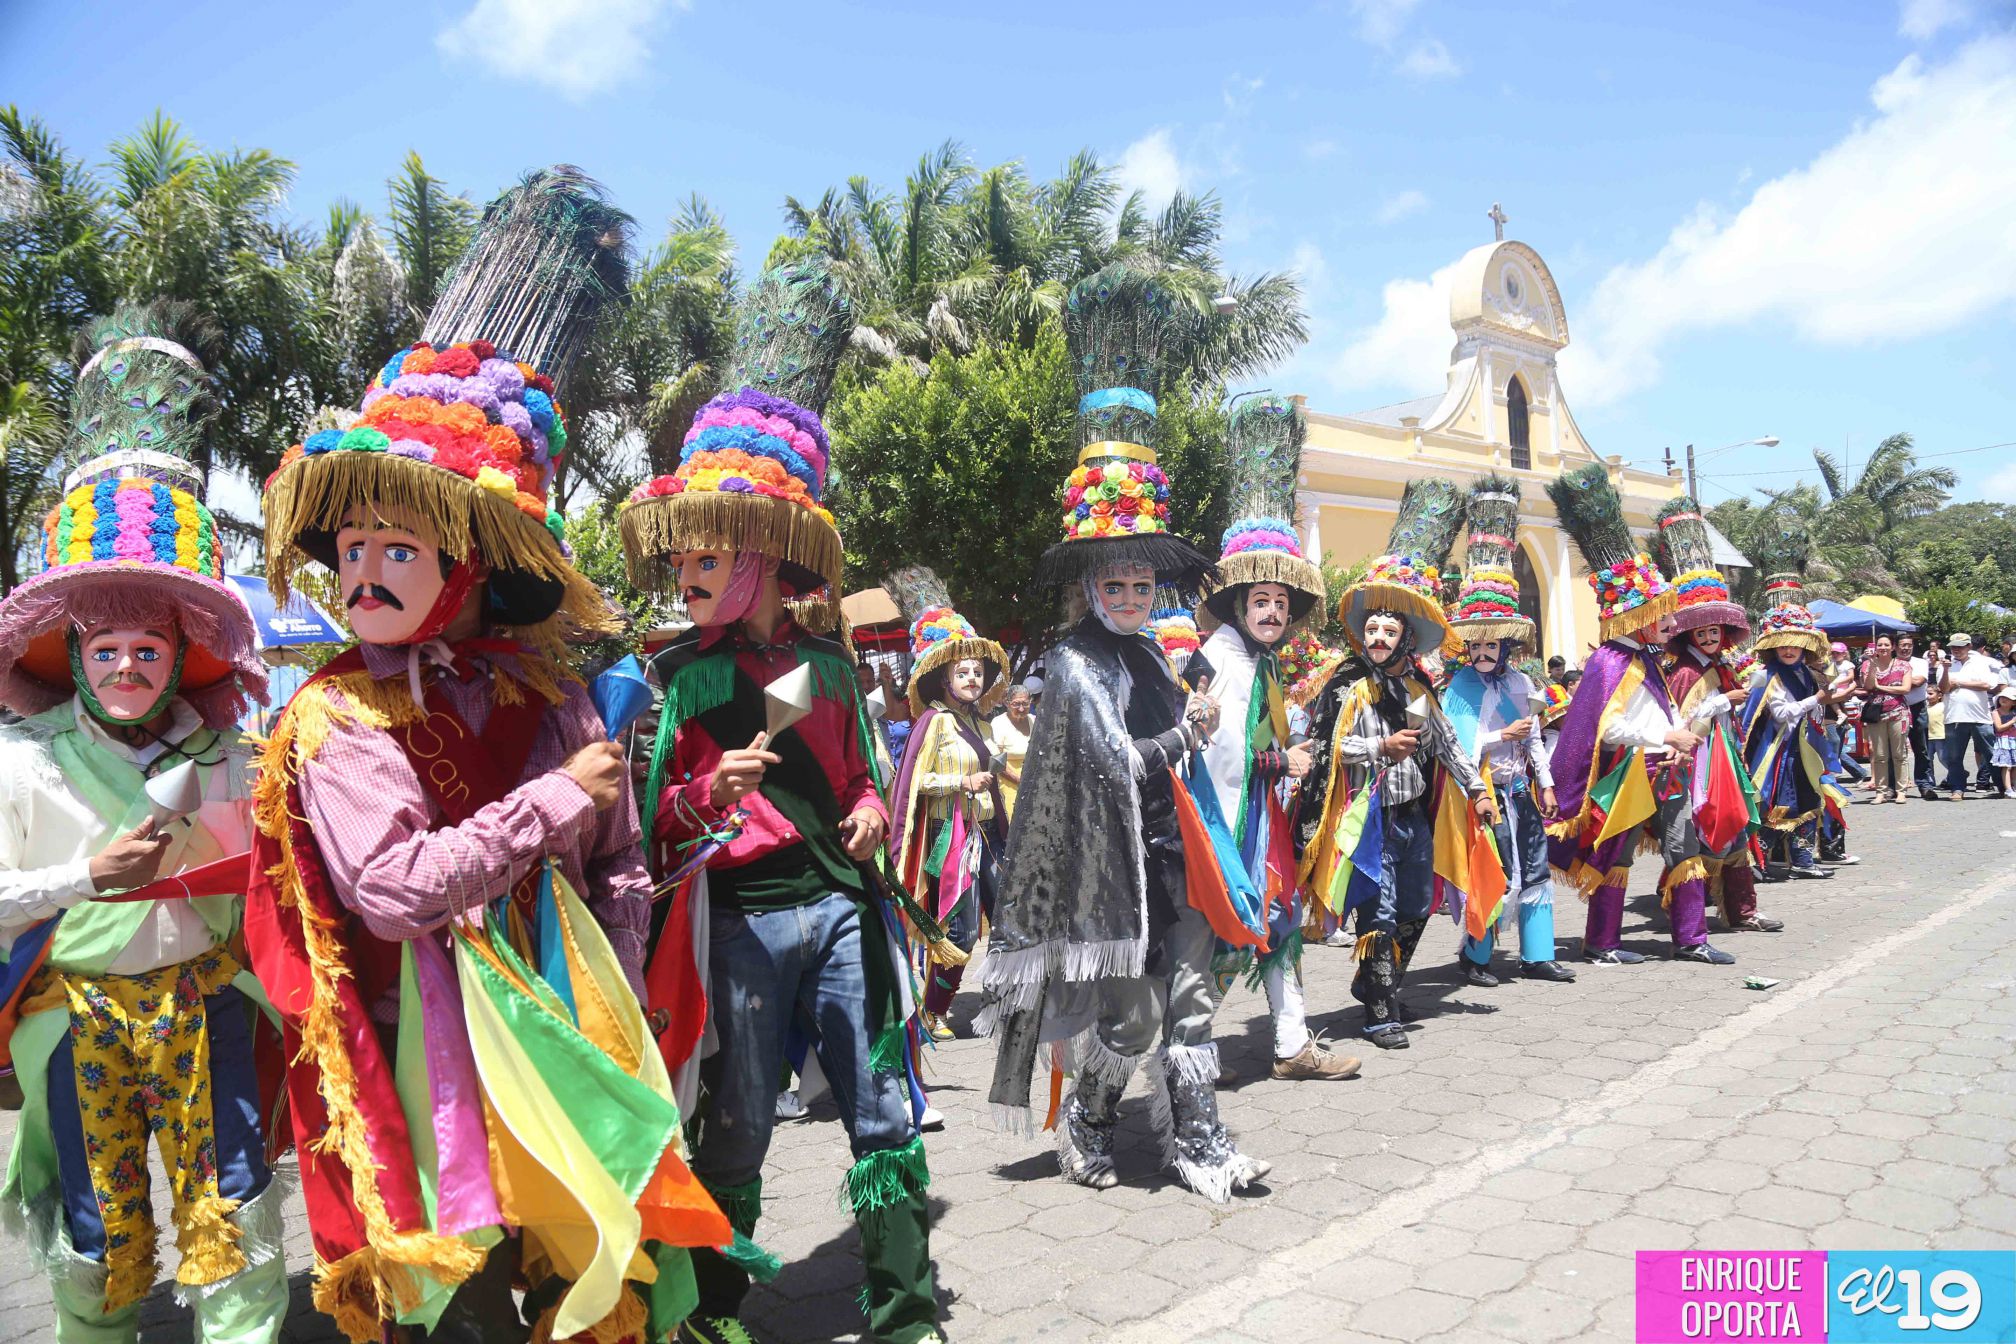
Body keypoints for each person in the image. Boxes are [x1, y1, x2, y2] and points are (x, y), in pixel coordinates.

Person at [246, 170, 729, 1344]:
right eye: (352, 546)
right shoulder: (334, 716)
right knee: (466, 1317)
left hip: (562, 1054)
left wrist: (616, 1010)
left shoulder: (546, 691)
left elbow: (615, 860)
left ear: (470, 560)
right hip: (430, 1069)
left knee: (592, 1289)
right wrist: (549, 802)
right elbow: (394, 890)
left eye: (397, 547)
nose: (363, 574)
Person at [620, 260, 942, 1344]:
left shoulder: (823, 668)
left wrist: (869, 814)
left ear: (760, 555)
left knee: (882, 1110)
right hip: (741, 926)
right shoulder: (675, 680)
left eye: (708, 552)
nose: (689, 571)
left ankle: (906, 1310)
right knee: (740, 1126)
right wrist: (705, 790)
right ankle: (714, 1314)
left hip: (842, 908)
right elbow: (650, 832)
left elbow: (859, 777)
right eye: (683, 553)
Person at [0, 303, 288, 1344]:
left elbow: (271, 879)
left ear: (180, 655)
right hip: (79, 1019)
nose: (128, 666)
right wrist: (86, 878)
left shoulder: (227, 757)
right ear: (75, 654)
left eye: (149, 649)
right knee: (96, 1238)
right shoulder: (20, 759)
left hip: (208, 1007)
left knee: (240, 1219)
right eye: (107, 648)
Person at [983, 263, 1266, 1202]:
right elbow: (1114, 764)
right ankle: (1090, 1120)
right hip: (1111, 874)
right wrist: (1189, 732)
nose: (1134, 595)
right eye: (1117, 584)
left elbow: (1169, 737)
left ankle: (1202, 1145)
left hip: (1172, 857)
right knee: (1136, 1020)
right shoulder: (1071, 662)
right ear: (1090, 586)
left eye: (1144, 584)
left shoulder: (1150, 652)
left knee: (1192, 1007)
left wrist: (1195, 714)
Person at [1294, 479, 1499, 1047]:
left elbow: (1447, 745)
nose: (1379, 638)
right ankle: (1381, 1010)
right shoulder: (1347, 684)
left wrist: (1478, 790)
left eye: (1390, 630)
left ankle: (1375, 982)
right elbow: (1326, 750)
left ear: (1406, 636)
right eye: (1372, 630)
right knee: (1379, 913)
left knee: (1414, 907)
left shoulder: (1416, 690)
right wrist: (1378, 750)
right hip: (1371, 819)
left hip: (1414, 819)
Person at [1197, 395, 1359, 1080]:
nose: (1271, 612)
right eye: (1260, 601)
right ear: (1239, 605)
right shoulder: (1225, 659)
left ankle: (1291, 1045)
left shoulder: (1258, 661)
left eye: (1281, 603)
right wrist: (1280, 760)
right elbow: (1218, 750)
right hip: (1228, 822)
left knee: (1278, 922)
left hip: (1258, 817)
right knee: (1227, 928)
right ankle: (1184, 1050)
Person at [1543, 464, 1735, 966]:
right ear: (1638, 615)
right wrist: (1666, 737)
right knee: (1616, 854)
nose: (1672, 622)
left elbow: (1661, 710)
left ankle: (1691, 939)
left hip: (1667, 771)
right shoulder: (1610, 663)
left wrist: (1680, 733)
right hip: (1628, 776)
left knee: (1684, 848)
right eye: (1663, 614)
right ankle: (1602, 943)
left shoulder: (1647, 658)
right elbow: (1607, 730)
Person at [1441, 476, 1576, 985]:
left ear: (1505, 647)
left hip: (1520, 790)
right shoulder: (1459, 686)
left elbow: (1535, 736)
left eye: (1490, 646)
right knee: (1494, 870)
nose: (1482, 653)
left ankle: (1537, 954)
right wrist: (1502, 736)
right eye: (1475, 646)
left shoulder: (1521, 682)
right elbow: (1456, 745)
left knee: (1536, 866)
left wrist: (1546, 782)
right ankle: (1475, 955)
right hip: (1485, 794)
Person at [883, 568, 1011, 1042]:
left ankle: (1002, 1002)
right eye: (963, 672)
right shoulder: (934, 722)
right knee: (961, 932)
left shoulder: (980, 724)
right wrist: (962, 781)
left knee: (1009, 920)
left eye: (977, 672)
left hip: (988, 834)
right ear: (944, 680)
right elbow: (914, 783)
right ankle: (932, 1012)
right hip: (950, 839)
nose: (973, 679)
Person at [1651, 497, 1780, 934]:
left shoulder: (1719, 665)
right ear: (1690, 635)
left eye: (1714, 631)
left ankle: (1742, 910)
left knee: (1734, 828)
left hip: (1725, 756)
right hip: (1698, 764)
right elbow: (1686, 717)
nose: (1708, 638)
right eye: (1701, 632)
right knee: (1700, 832)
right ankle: (1681, 902)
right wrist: (1726, 701)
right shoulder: (1686, 672)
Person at [1740, 575, 1851, 881]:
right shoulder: (1769, 676)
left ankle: (1802, 860)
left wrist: (1826, 697)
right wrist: (1817, 698)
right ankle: (1756, 862)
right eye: (1783, 645)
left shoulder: (1807, 673)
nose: (1788, 650)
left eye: (1795, 645)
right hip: (1779, 752)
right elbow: (1781, 714)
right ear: (1774, 648)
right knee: (1779, 806)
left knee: (1810, 802)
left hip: (1805, 749)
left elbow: (1817, 704)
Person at [1939, 633, 2003, 799]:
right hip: (1954, 716)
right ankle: (1957, 789)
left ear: (1969, 646)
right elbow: (1944, 688)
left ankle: (2004, 787)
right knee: (1954, 757)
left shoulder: (1980, 662)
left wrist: (1958, 683)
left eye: (1960, 646)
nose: (1956, 650)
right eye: (1953, 647)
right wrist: (1945, 670)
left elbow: (1986, 685)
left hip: (1980, 716)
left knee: (1991, 753)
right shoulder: (1945, 664)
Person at [1859, 635, 1913, 803]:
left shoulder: (1903, 665)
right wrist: (1872, 665)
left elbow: (1906, 688)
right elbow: (1868, 686)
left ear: (1893, 647)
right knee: (1880, 755)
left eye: (1886, 645)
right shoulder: (1868, 664)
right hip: (1876, 713)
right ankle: (1881, 792)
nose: (1883, 647)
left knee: (1899, 754)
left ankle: (1901, 790)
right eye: (1880, 645)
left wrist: (1880, 687)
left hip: (1898, 712)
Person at [1897, 633, 1937, 800]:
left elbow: (1919, 681)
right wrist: (1906, 681)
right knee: (1895, 750)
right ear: (1896, 647)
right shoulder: (1891, 663)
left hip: (1917, 708)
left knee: (1921, 748)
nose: (1906, 648)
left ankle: (1924, 784)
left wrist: (1894, 682)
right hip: (1895, 709)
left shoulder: (1920, 662)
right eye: (1903, 645)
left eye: (1909, 645)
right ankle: (1894, 786)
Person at [992, 685, 1033, 819]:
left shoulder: (1034, 720)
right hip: (1009, 783)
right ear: (1007, 703)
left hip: (1032, 782)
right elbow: (996, 762)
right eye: (1016, 704)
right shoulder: (998, 723)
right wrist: (1020, 781)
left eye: (1025, 704)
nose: (1021, 709)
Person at [1993, 686, 2016, 798]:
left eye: (2007, 698)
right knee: (2007, 766)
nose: (2003, 699)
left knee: (2015, 766)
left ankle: (2014, 786)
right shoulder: (1996, 712)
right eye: (2002, 697)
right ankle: (2008, 789)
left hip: (2014, 741)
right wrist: (2013, 721)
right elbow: (1999, 728)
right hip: (2004, 741)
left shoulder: (2014, 712)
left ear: (2013, 702)